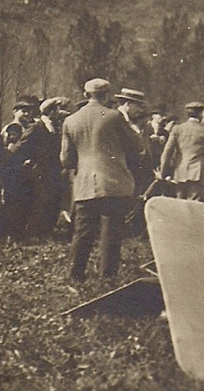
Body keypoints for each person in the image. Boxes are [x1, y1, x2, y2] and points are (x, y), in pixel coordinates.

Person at [60, 78, 145, 283]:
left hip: (84, 185)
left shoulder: (70, 120)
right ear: (107, 95)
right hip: (113, 183)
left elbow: (66, 159)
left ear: (85, 94)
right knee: (111, 232)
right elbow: (136, 147)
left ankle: (74, 275)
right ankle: (107, 276)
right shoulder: (114, 116)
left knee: (82, 232)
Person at [12, 96, 70, 243]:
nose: (59, 112)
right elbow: (20, 147)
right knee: (39, 203)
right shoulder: (36, 127)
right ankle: (32, 234)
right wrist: (24, 162)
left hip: (52, 172)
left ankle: (43, 232)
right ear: (50, 112)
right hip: (40, 172)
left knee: (50, 202)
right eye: (57, 110)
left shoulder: (53, 127)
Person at [159, 101, 204, 201]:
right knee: (194, 205)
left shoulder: (177, 129)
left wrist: (163, 172)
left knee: (179, 202)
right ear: (200, 114)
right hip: (197, 173)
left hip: (180, 172)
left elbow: (167, 152)